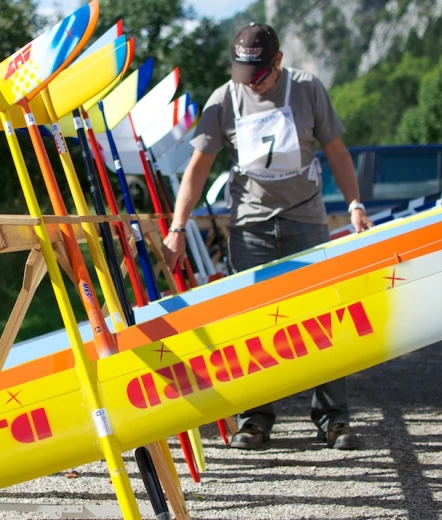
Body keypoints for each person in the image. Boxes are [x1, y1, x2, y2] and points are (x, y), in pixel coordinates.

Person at [162, 22, 374, 451]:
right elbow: (199, 167)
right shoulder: (225, 98)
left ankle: (333, 419)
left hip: (306, 223)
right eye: (243, 73)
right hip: (250, 227)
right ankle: (255, 420)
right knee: (252, 326)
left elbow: (336, 152)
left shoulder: (308, 89)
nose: (251, 84)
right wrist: (177, 228)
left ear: (278, 62)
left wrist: (355, 204)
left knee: (321, 319)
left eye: (257, 74)